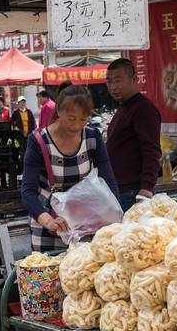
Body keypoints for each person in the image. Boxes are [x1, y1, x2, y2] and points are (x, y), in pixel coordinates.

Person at [21, 85, 119, 251]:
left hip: (86, 226)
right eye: (72, 118)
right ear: (58, 111)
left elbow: (108, 181)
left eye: (83, 119)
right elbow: (28, 191)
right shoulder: (39, 141)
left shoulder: (92, 137)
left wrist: (116, 216)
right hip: (48, 226)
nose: (77, 126)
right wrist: (48, 221)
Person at [106, 58, 161, 211]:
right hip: (118, 188)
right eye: (109, 81)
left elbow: (152, 150)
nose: (113, 87)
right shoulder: (123, 108)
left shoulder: (144, 109)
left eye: (118, 80)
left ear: (134, 79)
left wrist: (147, 188)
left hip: (133, 191)